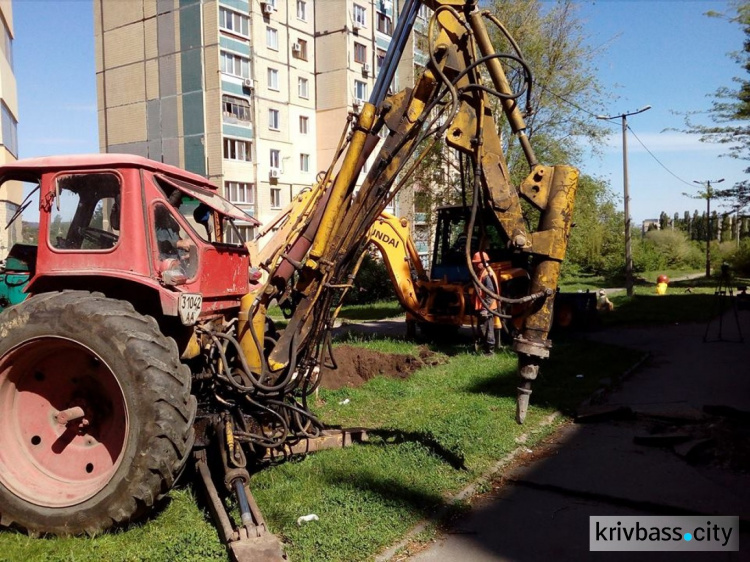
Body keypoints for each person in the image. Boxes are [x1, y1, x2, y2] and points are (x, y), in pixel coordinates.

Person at [472, 251, 499, 354]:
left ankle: (490, 350)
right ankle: (485, 348)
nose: (474, 265)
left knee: (487, 329)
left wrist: (485, 308)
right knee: (482, 328)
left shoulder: (487, 274)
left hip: (488, 307)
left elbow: (490, 293)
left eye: (476, 263)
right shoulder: (482, 272)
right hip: (484, 306)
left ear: (482, 262)